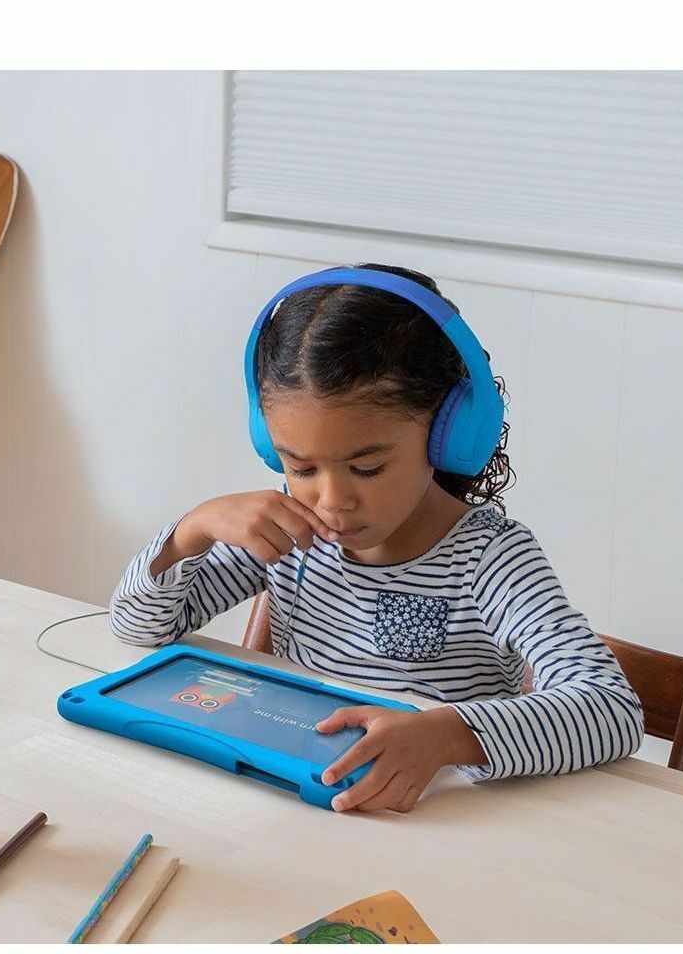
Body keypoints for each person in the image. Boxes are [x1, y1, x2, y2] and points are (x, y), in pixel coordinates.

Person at [108, 264, 645, 812]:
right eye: (302, 468)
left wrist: (445, 736)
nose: (331, 500)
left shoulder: (490, 559)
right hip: (304, 802)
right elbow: (136, 627)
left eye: (367, 469)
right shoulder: (289, 527)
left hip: (436, 819)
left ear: (448, 434)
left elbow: (611, 709)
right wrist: (190, 532)